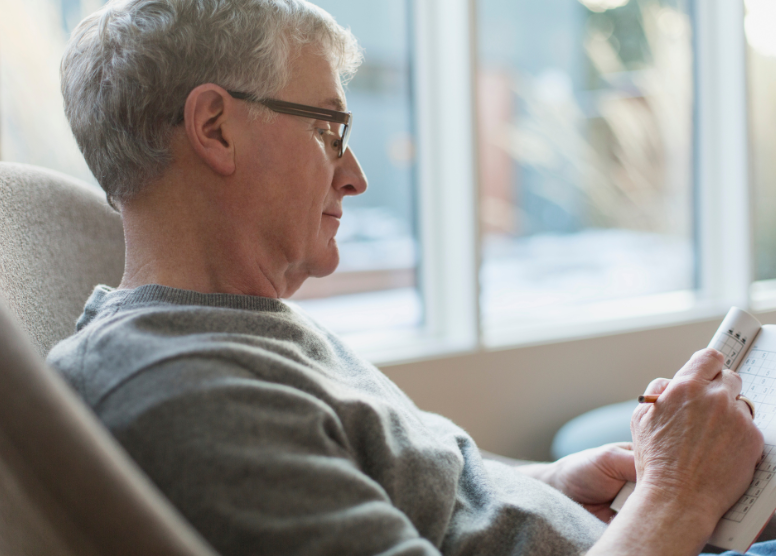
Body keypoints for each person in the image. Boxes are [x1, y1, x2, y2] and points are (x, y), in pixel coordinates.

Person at [48, 1, 770, 554]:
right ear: (214, 128)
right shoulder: (183, 390)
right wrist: (675, 497)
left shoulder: (232, 326)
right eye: (329, 128)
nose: (355, 176)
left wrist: (544, 485)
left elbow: (416, 485)